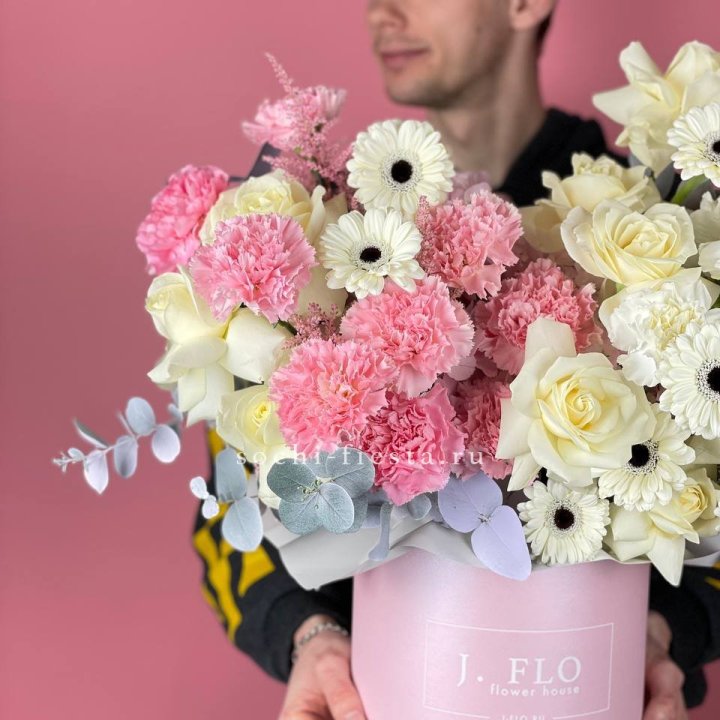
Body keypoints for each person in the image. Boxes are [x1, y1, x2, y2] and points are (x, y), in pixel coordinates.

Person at [192, 2, 720, 719]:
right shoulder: (333, 237)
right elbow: (233, 500)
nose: (383, 13)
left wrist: (666, 633)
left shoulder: (658, 233)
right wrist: (308, 636)